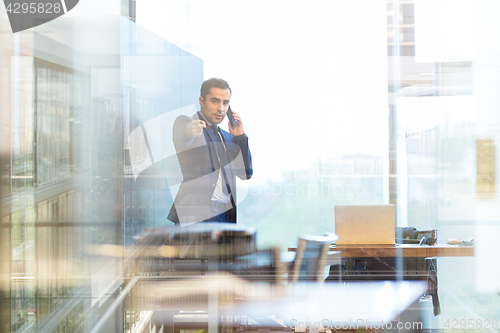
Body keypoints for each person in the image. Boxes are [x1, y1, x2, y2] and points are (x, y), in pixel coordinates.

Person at [167, 78, 253, 225]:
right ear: (202, 101)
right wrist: (189, 131)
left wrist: (240, 138)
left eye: (225, 103)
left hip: (224, 215)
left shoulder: (228, 137)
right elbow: (182, 139)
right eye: (215, 101)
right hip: (195, 215)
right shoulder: (187, 122)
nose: (221, 108)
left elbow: (245, 173)